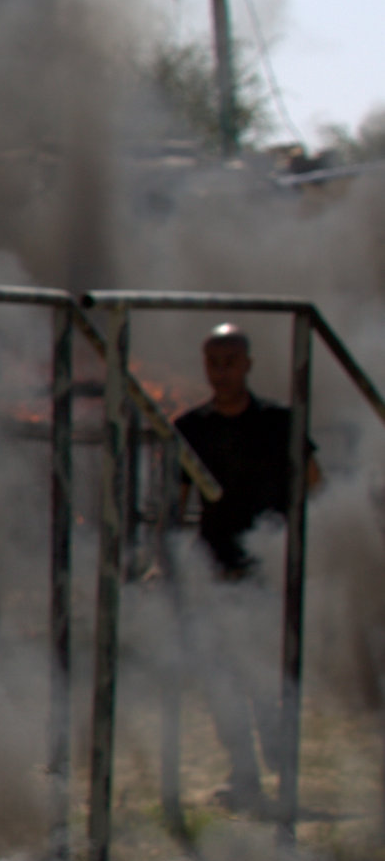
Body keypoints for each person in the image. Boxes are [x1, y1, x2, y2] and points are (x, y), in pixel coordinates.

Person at [169, 324, 319, 818]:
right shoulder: (192, 428)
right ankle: (244, 773)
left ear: (248, 365)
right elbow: (174, 503)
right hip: (214, 569)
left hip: (268, 569)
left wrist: (300, 544)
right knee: (221, 679)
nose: (222, 372)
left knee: (263, 676)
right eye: (214, 362)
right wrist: (166, 562)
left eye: (231, 361)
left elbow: (314, 483)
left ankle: (280, 762)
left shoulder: (278, 422)